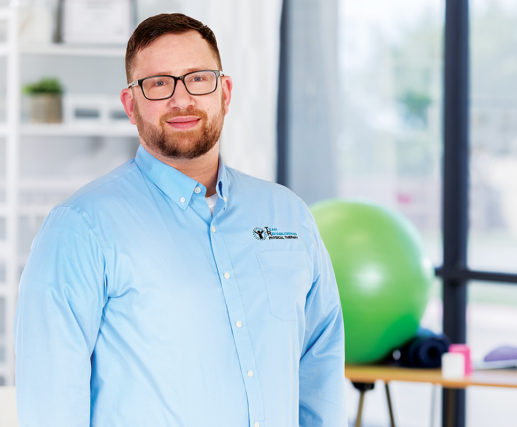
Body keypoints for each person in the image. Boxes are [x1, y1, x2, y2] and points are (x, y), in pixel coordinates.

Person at [15, 13, 346, 427]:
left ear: (224, 93)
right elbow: (50, 407)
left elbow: (321, 364)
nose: (181, 99)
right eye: (158, 83)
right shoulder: (80, 229)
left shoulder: (289, 216)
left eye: (198, 78)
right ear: (130, 105)